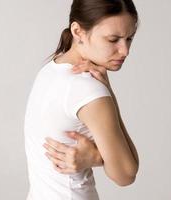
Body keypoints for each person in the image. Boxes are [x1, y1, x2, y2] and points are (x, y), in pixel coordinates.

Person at [24, 0, 140, 199]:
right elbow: (126, 174)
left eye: (129, 38)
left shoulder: (52, 69)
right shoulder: (88, 89)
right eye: (113, 39)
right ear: (78, 31)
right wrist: (97, 157)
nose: (125, 50)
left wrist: (107, 91)